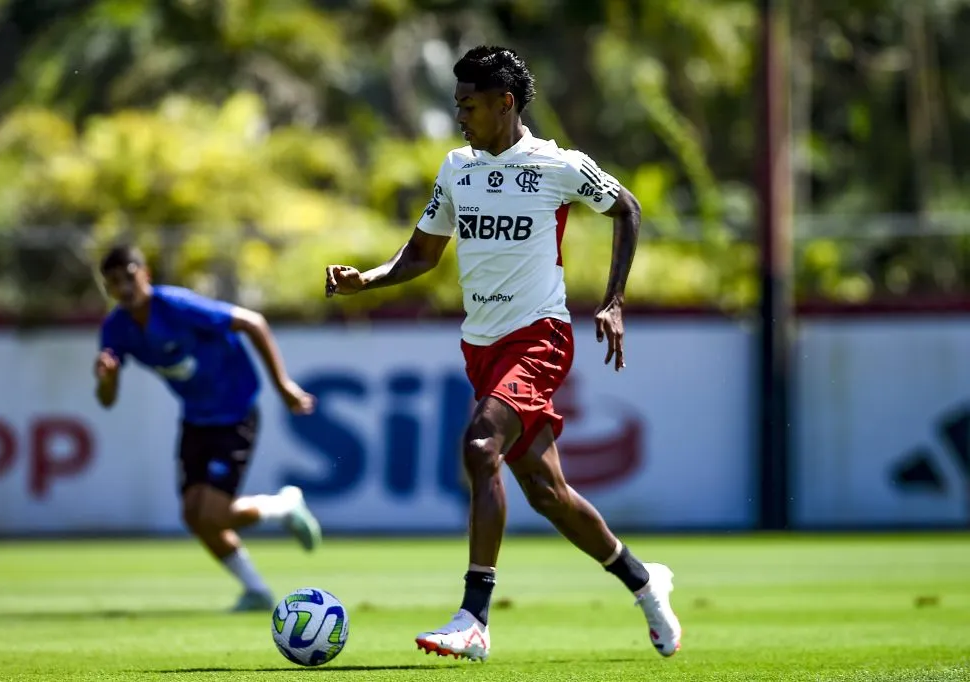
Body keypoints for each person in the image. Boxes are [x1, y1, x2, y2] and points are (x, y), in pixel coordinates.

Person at [324, 45, 681, 661]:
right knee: (547, 494)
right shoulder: (456, 168)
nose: (459, 116)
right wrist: (369, 280)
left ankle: (474, 620)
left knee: (479, 444)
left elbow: (627, 206)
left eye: (468, 105)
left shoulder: (556, 165)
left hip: (540, 337)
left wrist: (613, 299)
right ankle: (645, 583)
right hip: (482, 346)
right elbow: (422, 254)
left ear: (503, 103)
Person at [94, 244, 322, 612]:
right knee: (192, 515)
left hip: (235, 411)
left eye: (129, 276)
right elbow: (107, 399)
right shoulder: (116, 329)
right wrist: (106, 378)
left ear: (146, 274)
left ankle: (283, 506)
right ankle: (257, 592)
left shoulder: (177, 306)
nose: (123, 288)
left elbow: (253, 323)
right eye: (113, 282)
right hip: (196, 418)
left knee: (213, 514)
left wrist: (283, 386)